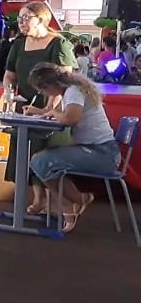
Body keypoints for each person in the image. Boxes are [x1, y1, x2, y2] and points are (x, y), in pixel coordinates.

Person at [27, 63, 119, 233]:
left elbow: (70, 119)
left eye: (42, 89)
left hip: (102, 154)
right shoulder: (72, 90)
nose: (42, 93)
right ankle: (74, 201)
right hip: (102, 150)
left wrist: (53, 113)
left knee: (41, 161)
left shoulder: (73, 92)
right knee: (41, 161)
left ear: (51, 85)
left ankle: (70, 204)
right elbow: (66, 116)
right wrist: (44, 113)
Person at [5, 2, 76, 215]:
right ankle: (38, 200)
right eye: (20, 18)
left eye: (26, 17)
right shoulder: (19, 44)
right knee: (25, 152)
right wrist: (9, 94)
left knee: (44, 151)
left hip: (52, 107)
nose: (21, 22)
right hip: (25, 105)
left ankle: (63, 203)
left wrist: (47, 108)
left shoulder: (59, 44)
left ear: (41, 19)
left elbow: (65, 79)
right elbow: (9, 74)